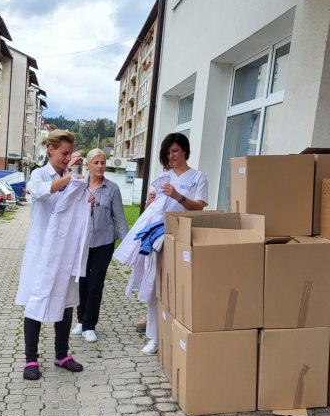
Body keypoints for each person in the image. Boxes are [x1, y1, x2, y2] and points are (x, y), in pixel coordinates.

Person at [15, 129, 89, 380]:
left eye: (70, 155)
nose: (67, 159)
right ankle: (30, 359)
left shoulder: (70, 178)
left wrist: (86, 201)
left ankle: (61, 355)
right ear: (51, 150)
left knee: (66, 304)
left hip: (64, 253)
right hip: (41, 254)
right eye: (64, 153)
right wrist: (67, 181)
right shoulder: (38, 174)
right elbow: (38, 191)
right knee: (36, 303)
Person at [136, 132, 208, 354]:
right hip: (159, 237)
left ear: (184, 150)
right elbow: (154, 210)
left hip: (184, 238)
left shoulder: (198, 177)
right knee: (154, 285)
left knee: (177, 287)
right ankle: (154, 337)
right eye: (167, 152)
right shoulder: (163, 178)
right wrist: (149, 203)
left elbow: (200, 207)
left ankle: (175, 334)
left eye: (175, 150)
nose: (171, 155)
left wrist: (178, 196)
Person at [71, 148, 128, 343]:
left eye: (103, 162)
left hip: (104, 243)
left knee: (96, 284)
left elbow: (119, 219)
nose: (100, 166)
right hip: (82, 242)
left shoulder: (112, 188)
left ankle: (89, 325)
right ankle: (80, 320)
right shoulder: (79, 186)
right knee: (82, 282)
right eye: (96, 162)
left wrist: (126, 245)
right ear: (88, 165)